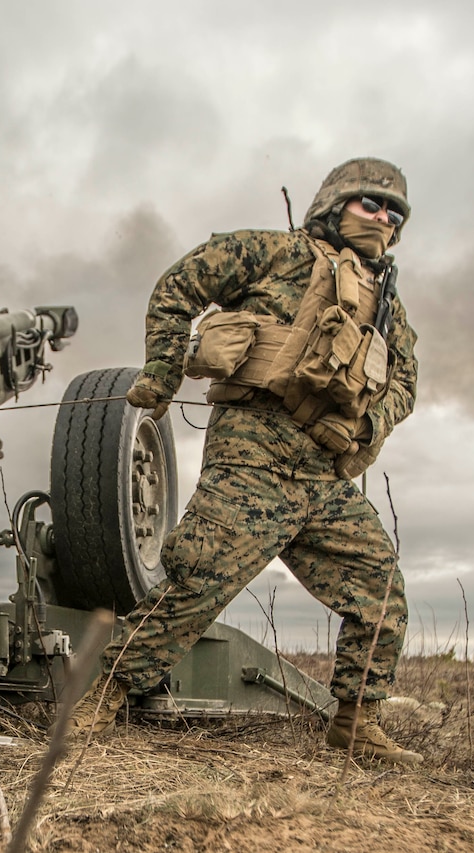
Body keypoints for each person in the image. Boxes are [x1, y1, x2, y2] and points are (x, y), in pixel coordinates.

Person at [68, 157, 422, 764]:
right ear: (336, 206)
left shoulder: (388, 313)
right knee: (197, 580)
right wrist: (161, 369)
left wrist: (368, 423)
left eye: (395, 211)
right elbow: (180, 284)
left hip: (321, 474)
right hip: (253, 451)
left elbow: (406, 385)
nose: (383, 217)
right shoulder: (275, 253)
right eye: (372, 203)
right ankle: (102, 695)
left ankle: (356, 723)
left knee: (381, 589)